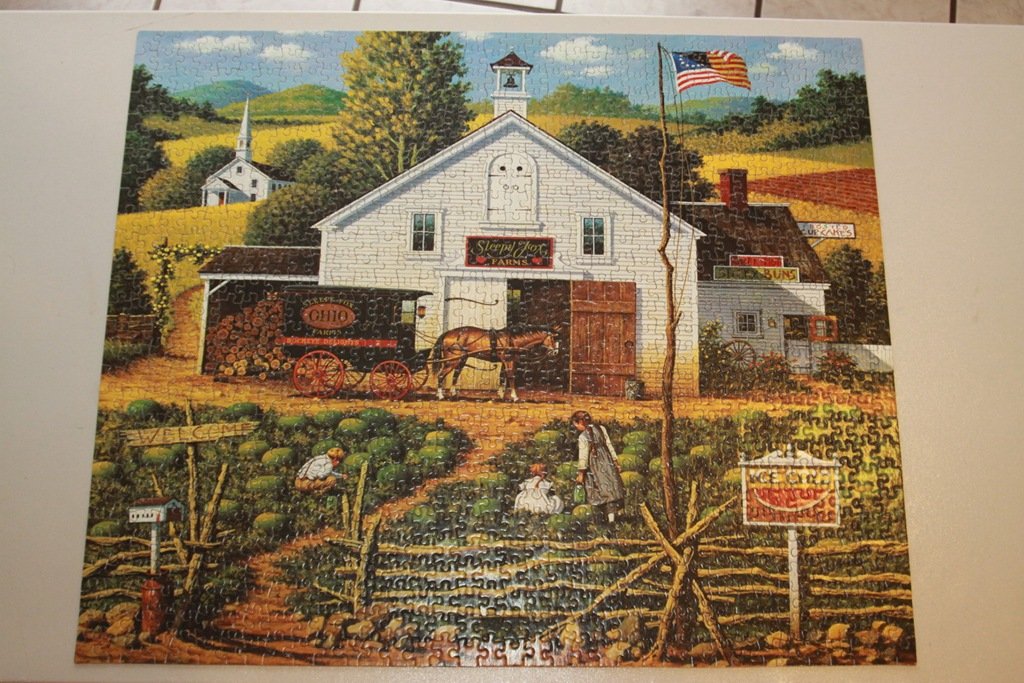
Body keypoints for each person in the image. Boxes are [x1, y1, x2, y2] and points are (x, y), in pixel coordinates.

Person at [571, 410, 625, 523]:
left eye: (575, 425)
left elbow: (583, 458)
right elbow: (609, 446)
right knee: (611, 488)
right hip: (607, 461)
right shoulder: (601, 428)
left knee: (598, 490)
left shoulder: (582, 437)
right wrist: (615, 461)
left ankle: (607, 519)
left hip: (594, 466)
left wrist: (581, 474)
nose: (576, 427)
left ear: (580, 423)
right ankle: (613, 517)